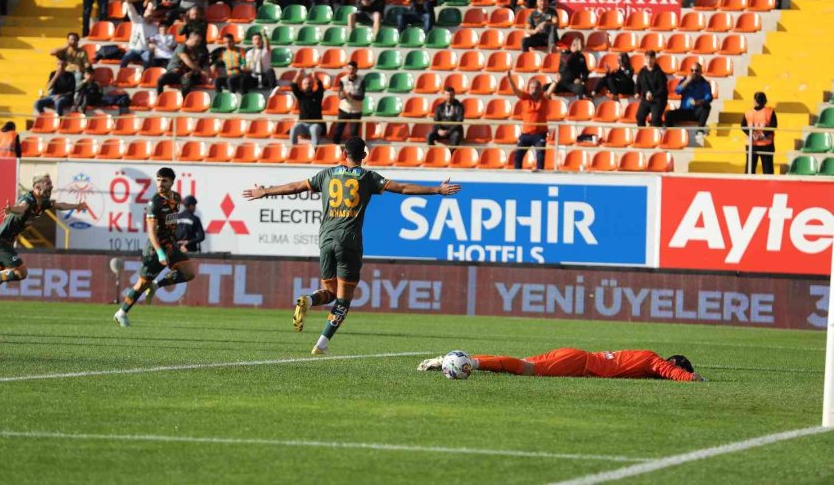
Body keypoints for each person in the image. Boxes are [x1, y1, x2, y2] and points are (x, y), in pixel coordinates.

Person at [243, 136, 461, 355]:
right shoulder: (368, 177)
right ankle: (321, 344)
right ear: (364, 155)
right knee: (343, 299)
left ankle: (308, 300)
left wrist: (265, 192)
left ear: (344, 154)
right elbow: (403, 188)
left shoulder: (327, 174)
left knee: (328, 291)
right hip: (349, 240)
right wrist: (437, 190)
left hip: (326, 239)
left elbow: (296, 186)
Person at [0, 175, 85, 323]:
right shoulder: (29, 199)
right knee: (21, 273)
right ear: (36, 188)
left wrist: (75, 206)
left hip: (5, 240)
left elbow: (59, 205)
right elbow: (22, 207)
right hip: (0, 240)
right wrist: (12, 209)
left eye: (50, 186)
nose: (50, 188)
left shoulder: (43, 202)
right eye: (47, 185)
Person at [114, 167, 196, 327]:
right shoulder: (155, 202)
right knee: (141, 284)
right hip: (155, 248)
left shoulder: (176, 198)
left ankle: (156, 285)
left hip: (170, 244)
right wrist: (160, 253)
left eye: (164, 180)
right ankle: (121, 313)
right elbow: (151, 231)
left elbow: (171, 222)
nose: (160, 183)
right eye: (158, 180)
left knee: (189, 273)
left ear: (172, 182)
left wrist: (175, 241)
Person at [417, 348, 706, 382]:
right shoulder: (654, 361)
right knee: (525, 369)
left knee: (522, 364)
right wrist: (694, 380)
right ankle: (471, 363)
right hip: (579, 363)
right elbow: (670, 372)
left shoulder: (643, 357)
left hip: (578, 356)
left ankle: (446, 360)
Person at [509, 69, 555, 170]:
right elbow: (515, 90)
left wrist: (555, 81)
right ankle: (517, 175)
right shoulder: (525, 97)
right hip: (526, 133)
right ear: (529, 89)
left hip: (539, 133)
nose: (534, 90)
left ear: (540, 89)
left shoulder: (544, 98)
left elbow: (550, 91)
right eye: (532, 88)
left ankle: (539, 176)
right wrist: (510, 78)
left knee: (540, 155)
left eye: (537, 88)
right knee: (518, 156)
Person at [665, 62, 712, 135]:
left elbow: (708, 98)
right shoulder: (685, 80)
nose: (694, 73)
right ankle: (670, 134)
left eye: (697, 71)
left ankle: (700, 130)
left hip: (696, 112)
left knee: (707, 106)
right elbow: (677, 91)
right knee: (668, 114)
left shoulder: (705, 84)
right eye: (692, 70)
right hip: (684, 111)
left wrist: (698, 102)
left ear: (701, 72)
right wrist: (687, 81)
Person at [157, 32, 207, 97]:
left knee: (188, 82)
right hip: (174, 73)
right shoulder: (182, 46)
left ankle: (183, 101)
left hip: (183, 75)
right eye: (196, 41)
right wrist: (201, 71)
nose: (198, 43)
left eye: (199, 42)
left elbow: (195, 65)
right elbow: (187, 61)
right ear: (190, 39)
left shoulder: (195, 51)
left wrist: (190, 73)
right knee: (161, 79)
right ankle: (159, 98)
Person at [742, 91, 777, 175]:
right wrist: (762, 135)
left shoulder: (748, 112)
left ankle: (749, 186)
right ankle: (769, 187)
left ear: (755, 101)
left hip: (752, 144)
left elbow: (743, 125)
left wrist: (752, 134)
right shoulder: (770, 111)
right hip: (766, 144)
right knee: (768, 169)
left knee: (750, 169)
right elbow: (773, 125)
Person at [330, 61, 365, 145]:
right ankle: (335, 147)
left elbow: (362, 97)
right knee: (338, 129)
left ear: (356, 70)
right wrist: (344, 95)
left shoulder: (362, 81)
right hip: (344, 108)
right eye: (349, 69)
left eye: (353, 69)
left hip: (356, 110)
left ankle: (353, 150)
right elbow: (340, 96)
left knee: (354, 132)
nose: (351, 71)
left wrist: (352, 95)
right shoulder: (343, 80)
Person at [291, 70, 325, 146]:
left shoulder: (317, 95)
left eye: (309, 83)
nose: (308, 85)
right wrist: (298, 74)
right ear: (302, 85)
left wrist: (315, 77)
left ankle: (313, 151)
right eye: (305, 83)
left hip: (315, 124)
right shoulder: (301, 95)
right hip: (303, 124)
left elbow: (321, 87)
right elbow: (293, 86)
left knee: (314, 129)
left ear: (313, 84)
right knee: (294, 129)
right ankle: (294, 149)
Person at [635, 50, 667, 127]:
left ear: (654, 59)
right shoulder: (642, 71)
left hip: (658, 100)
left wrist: (653, 95)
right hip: (646, 99)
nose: (649, 60)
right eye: (647, 58)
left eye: (651, 58)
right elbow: (638, 84)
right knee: (639, 116)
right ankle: (642, 134)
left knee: (655, 119)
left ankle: (657, 136)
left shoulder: (659, 73)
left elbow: (662, 89)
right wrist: (637, 92)